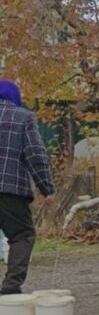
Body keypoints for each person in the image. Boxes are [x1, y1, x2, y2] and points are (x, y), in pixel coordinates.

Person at [0, 79, 55, 295]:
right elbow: (36, 155)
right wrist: (47, 189)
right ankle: (10, 287)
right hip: (10, 189)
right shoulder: (23, 117)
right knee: (22, 235)